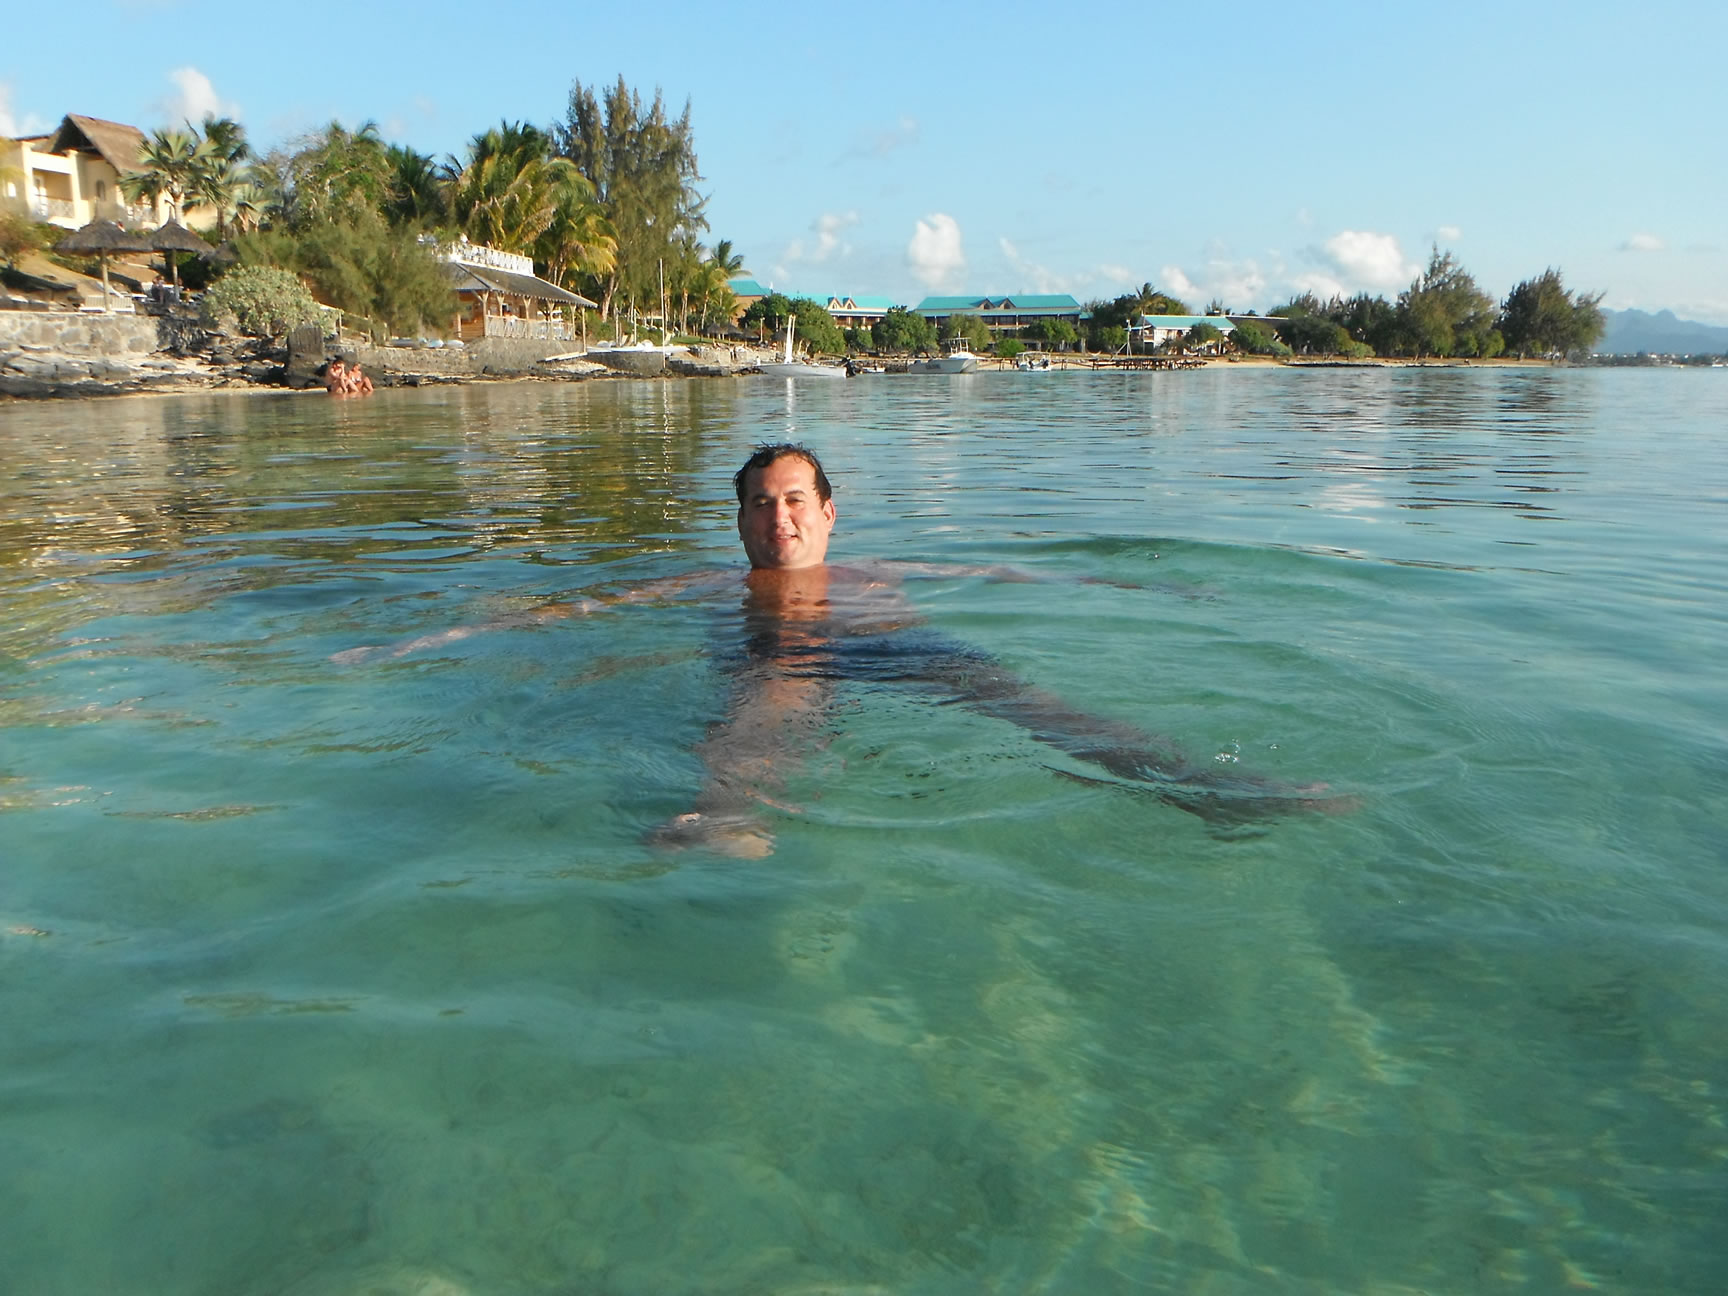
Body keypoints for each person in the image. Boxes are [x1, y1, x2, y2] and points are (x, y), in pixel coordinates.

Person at [338, 444, 1349, 854]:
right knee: (764, 705)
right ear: (738, 521)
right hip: (786, 658)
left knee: (1040, 709)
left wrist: (1140, 586)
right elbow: (574, 610)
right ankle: (729, 818)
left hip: (905, 649)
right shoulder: (715, 585)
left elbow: (1012, 574)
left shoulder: (883, 572)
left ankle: (1210, 787)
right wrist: (425, 639)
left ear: (829, 511)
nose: (777, 518)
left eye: (793, 500)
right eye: (758, 504)